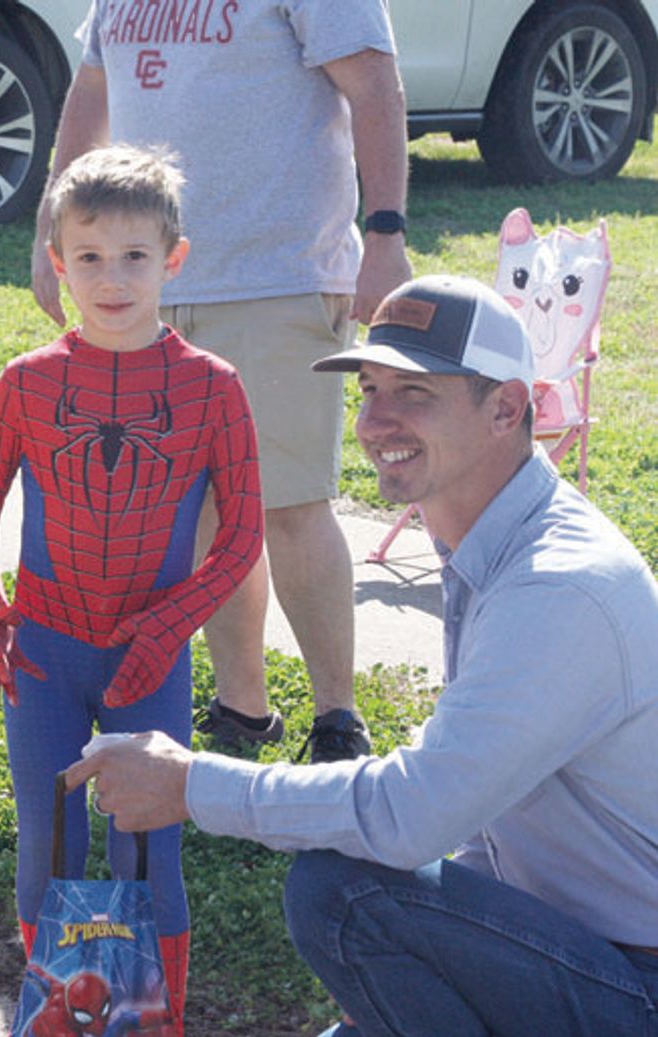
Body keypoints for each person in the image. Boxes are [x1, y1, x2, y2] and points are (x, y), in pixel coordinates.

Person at [66, 275, 658, 1035]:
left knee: (343, 891)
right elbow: (475, 821)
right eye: (369, 389)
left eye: (413, 393)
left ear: (508, 408)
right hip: (588, 952)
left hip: (637, 985)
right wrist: (414, 973)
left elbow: (413, 815)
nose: (376, 421)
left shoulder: (559, 586)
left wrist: (190, 783)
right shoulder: (498, 542)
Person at [30, 1, 413, 761]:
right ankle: (242, 707)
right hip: (151, 283)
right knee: (202, 511)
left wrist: (386, 235)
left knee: (291, 505)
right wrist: (52, 228)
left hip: (278, 275)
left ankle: (337, 716)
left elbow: (375, 87)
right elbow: (92, 94)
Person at [0, 144, 263, 1033]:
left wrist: (164, 634)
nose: (111, 278)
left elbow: (242, 536)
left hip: (148, 660)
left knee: (146, 852)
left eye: (134, 257)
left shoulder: (215, 389)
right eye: (88, 257)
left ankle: (150, 1018)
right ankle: (58, 1012)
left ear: (174, 259)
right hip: (45, 651)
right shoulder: (26, 380)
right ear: (58, 264)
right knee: (49, 845)